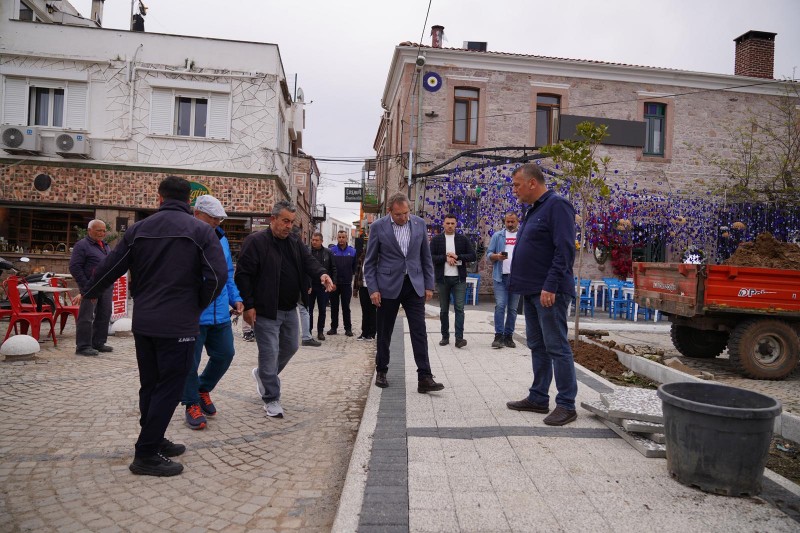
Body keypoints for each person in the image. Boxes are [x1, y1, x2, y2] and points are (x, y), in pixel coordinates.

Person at [85, 176, 227, 476]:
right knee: (169, 387)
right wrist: (197, 305)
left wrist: (90, 291)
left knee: (150, 384)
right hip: (178, 324)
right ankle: (146, 453)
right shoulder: (201, 231)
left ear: (159, 198)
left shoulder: (139, 229)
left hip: (145, 322)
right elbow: (217, 276)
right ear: (188, 200)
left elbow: (111, 267)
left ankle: (155, 437)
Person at [234, 200, 334, 419]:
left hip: (290, 308)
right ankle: (271, 398)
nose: (289, 226)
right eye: (285, 221)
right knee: (269, 353)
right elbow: (243, 276)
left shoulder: (294, 242)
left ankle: (263, 375)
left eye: (291, 222)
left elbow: (309, 261)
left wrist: (322, 274)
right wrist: (248, 305)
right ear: (273, 219)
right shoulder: (255, 242)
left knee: (290, 347)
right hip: (266, 310)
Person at [505, 163, 578, 426]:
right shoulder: (534, 209)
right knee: (538, 345)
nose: (514, 190)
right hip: (531, 290)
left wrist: (551, 285)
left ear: (532, 183)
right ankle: (538, 397)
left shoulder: (557, 206)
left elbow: (565, 249)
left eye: (517, 185)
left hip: (549, 292)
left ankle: (567, 404)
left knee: (557, 346)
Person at [364, 192, 444, 393]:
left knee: (419, 331)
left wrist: (429, 285)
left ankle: (425, 377)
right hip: (387, 286)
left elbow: (425, 257)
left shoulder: (419, 224)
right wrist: (373, 289)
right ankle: (382, 370)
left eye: (406, 213)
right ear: (389, 211)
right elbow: (370, 262)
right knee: (384, 331)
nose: (403, 217)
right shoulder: (378, 227)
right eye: (399, 214)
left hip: (414, 286)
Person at [182, 195, 244, 430]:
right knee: (190, 362)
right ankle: (191, 403)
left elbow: (227, 273)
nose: (217, 222)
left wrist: (235, 297)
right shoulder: (186, 238)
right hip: (195, 313)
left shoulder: (221, 238)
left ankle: (202, 388)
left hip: (220, 313)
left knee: (225, 354)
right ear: (197, 214)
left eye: (220, 218)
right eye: (213, 218)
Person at [428, 214, 476, 348]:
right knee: (444, 309)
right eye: (448, 223)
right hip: (443, 278)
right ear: (443, 224)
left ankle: (459, 338)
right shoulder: (437, 239)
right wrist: (445, 258)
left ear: (456, 225)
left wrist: (458, 257)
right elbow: (430, 257)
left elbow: (472, 256)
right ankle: (445, 336)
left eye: (452, 223)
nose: (450, 226)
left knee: (459, 308)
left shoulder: (462, 239)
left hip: (459, 278)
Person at [69, 219, 114, 357]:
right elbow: (75, 267)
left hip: (105, 286)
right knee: (86, 317)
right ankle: (83, 346)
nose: (102, 233)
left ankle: (98, 342)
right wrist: (86, 287)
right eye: (98, 230)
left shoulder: (105, 246)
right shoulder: (82, 245)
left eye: (104, 231)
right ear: (89, 230)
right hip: (90, 286)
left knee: (104, 314)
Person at [486, 212, 521, 349]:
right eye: (508, 222)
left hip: (516, 278)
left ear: (517, 221)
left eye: (513, 221)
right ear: (504, 222)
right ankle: (498, 336)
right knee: (500, 305)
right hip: (500, 277)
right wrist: (496, 256)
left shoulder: (522, 236)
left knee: (512, 309)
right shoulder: (498, 236)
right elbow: (489, 254)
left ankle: (508, 336)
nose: (510, 224)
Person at [327, 230, 357, 337]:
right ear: (337, 238)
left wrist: (349, 275)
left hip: (346, 284)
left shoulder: (353, 251)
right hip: (334, 284)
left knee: (346, 307)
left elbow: (354, 267)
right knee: (334, 307)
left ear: (347, 238)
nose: (341, 239)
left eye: (343, 237)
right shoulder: (331, 251)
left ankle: (348, 329)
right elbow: (329, 267)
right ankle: (333, 328)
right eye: (339, 237)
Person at [308, 232, 336, 341]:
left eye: (316, 240)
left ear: (321, 241)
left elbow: (333, 268)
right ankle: (308, 331)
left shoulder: (328, 252)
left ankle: (320, 331)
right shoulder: (308, 252)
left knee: (322, 310)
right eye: (313, 240)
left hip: (323, 286)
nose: (314, 242)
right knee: (309, 311)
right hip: (310, 286)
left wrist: (333, 282)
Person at [352, 248, 376, 340]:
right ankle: (364, 332)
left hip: (373, 288)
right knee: (365, 311)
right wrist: (355, 289)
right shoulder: (361, 259)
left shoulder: (377, 258)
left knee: (372, 310)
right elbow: (357, 274)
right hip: (363, 287)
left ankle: (372, 333)